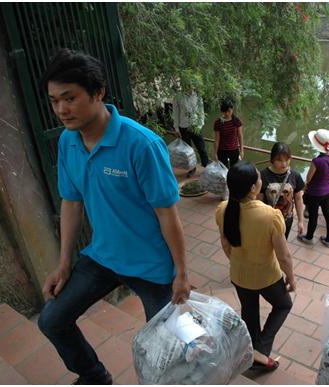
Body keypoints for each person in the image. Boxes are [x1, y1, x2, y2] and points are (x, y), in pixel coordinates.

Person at [37, 49, 191, 385]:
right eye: (54, 101)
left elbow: (167, 214)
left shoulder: (141, 145)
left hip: (152, 267)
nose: (61, 109)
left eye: (70, 98)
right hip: (103, 256)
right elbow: (71, 202)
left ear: (98, 93)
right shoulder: (68, 142)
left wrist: (181, 272)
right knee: (52, 320)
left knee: (164, 353)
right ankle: (94, 375)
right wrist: (64, 263)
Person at [215, 161, 296, 372]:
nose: (261, 180)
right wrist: (291, 277)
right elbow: (284, 255)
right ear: (253, 188)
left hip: (239, 275)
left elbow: (225, 243)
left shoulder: (223, 209)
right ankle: (260, 351)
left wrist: (238, 262)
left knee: (249, 314)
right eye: (258, 179)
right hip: (267, 277)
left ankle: (252, 353)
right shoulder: (270, 216)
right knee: (284, 305)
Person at [297, 129, 329, 247]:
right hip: (327, 190)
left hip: (315, 193)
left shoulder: (317, 161)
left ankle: (309, 238)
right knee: (328, 214)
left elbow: (309, 178)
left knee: (313, 215)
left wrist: (304, 188)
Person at [259, 142, 306, 240]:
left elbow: (298, 199)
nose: (284, 164)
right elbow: (259, 201)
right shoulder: (263, 175)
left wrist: (301, 221)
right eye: (279, 160)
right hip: (268, 219)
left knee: (282, 241)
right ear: (272, 159)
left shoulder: (295, 175)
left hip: (286, 219)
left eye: (287, 160)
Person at [173, 90, 209, 177]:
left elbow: (201, 110)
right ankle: (191, 169)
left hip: (196, 126)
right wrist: (177, 129)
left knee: (201, 148)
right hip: (184, 127)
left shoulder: (198, 95)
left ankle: (206, 166)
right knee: (188, 151)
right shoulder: (178, 96)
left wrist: (200, 125)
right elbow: (175, 113)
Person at [213, 97, 244, 168]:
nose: (227, 113)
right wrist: (215, 153)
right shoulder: (218, 122)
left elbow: (240, 136)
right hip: (222, 150)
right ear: (222, 111)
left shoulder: (236, 121)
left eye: (229, 111)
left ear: (232, 109)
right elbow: (217, 139)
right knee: (223, 169)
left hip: (234, 150)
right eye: (224, 111)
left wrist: (242, 150)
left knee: (235, 169)